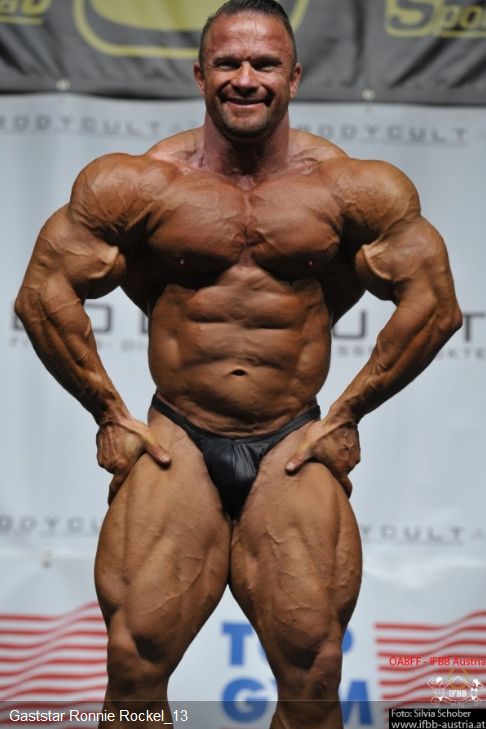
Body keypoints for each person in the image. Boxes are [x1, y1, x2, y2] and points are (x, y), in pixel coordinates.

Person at [15, 0, 462, 726]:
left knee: (315, 667)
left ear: (294, 76)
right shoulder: (138, 184)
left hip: (291, 438)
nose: (245, 78)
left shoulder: (351, 189)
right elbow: (43, 294)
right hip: (179, 437)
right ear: (200, 75)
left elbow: (435, 305)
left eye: (264, 64)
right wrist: (108, 412)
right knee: (134, 658)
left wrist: (348, 412)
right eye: (228, 63)